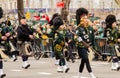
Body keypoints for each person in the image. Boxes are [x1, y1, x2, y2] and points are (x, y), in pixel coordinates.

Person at [75, 8, 96, 78]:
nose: (86, 19)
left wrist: (94, 47)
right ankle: (91, 74)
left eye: (86, 18)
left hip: (88, 46)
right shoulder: (79, 28)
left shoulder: (90, 28)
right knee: (86, 59)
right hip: (81, 46)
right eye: (84, 18)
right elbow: (76, 37)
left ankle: (79, 74)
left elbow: (93, 38)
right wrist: (79, 39)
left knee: (83, 61)